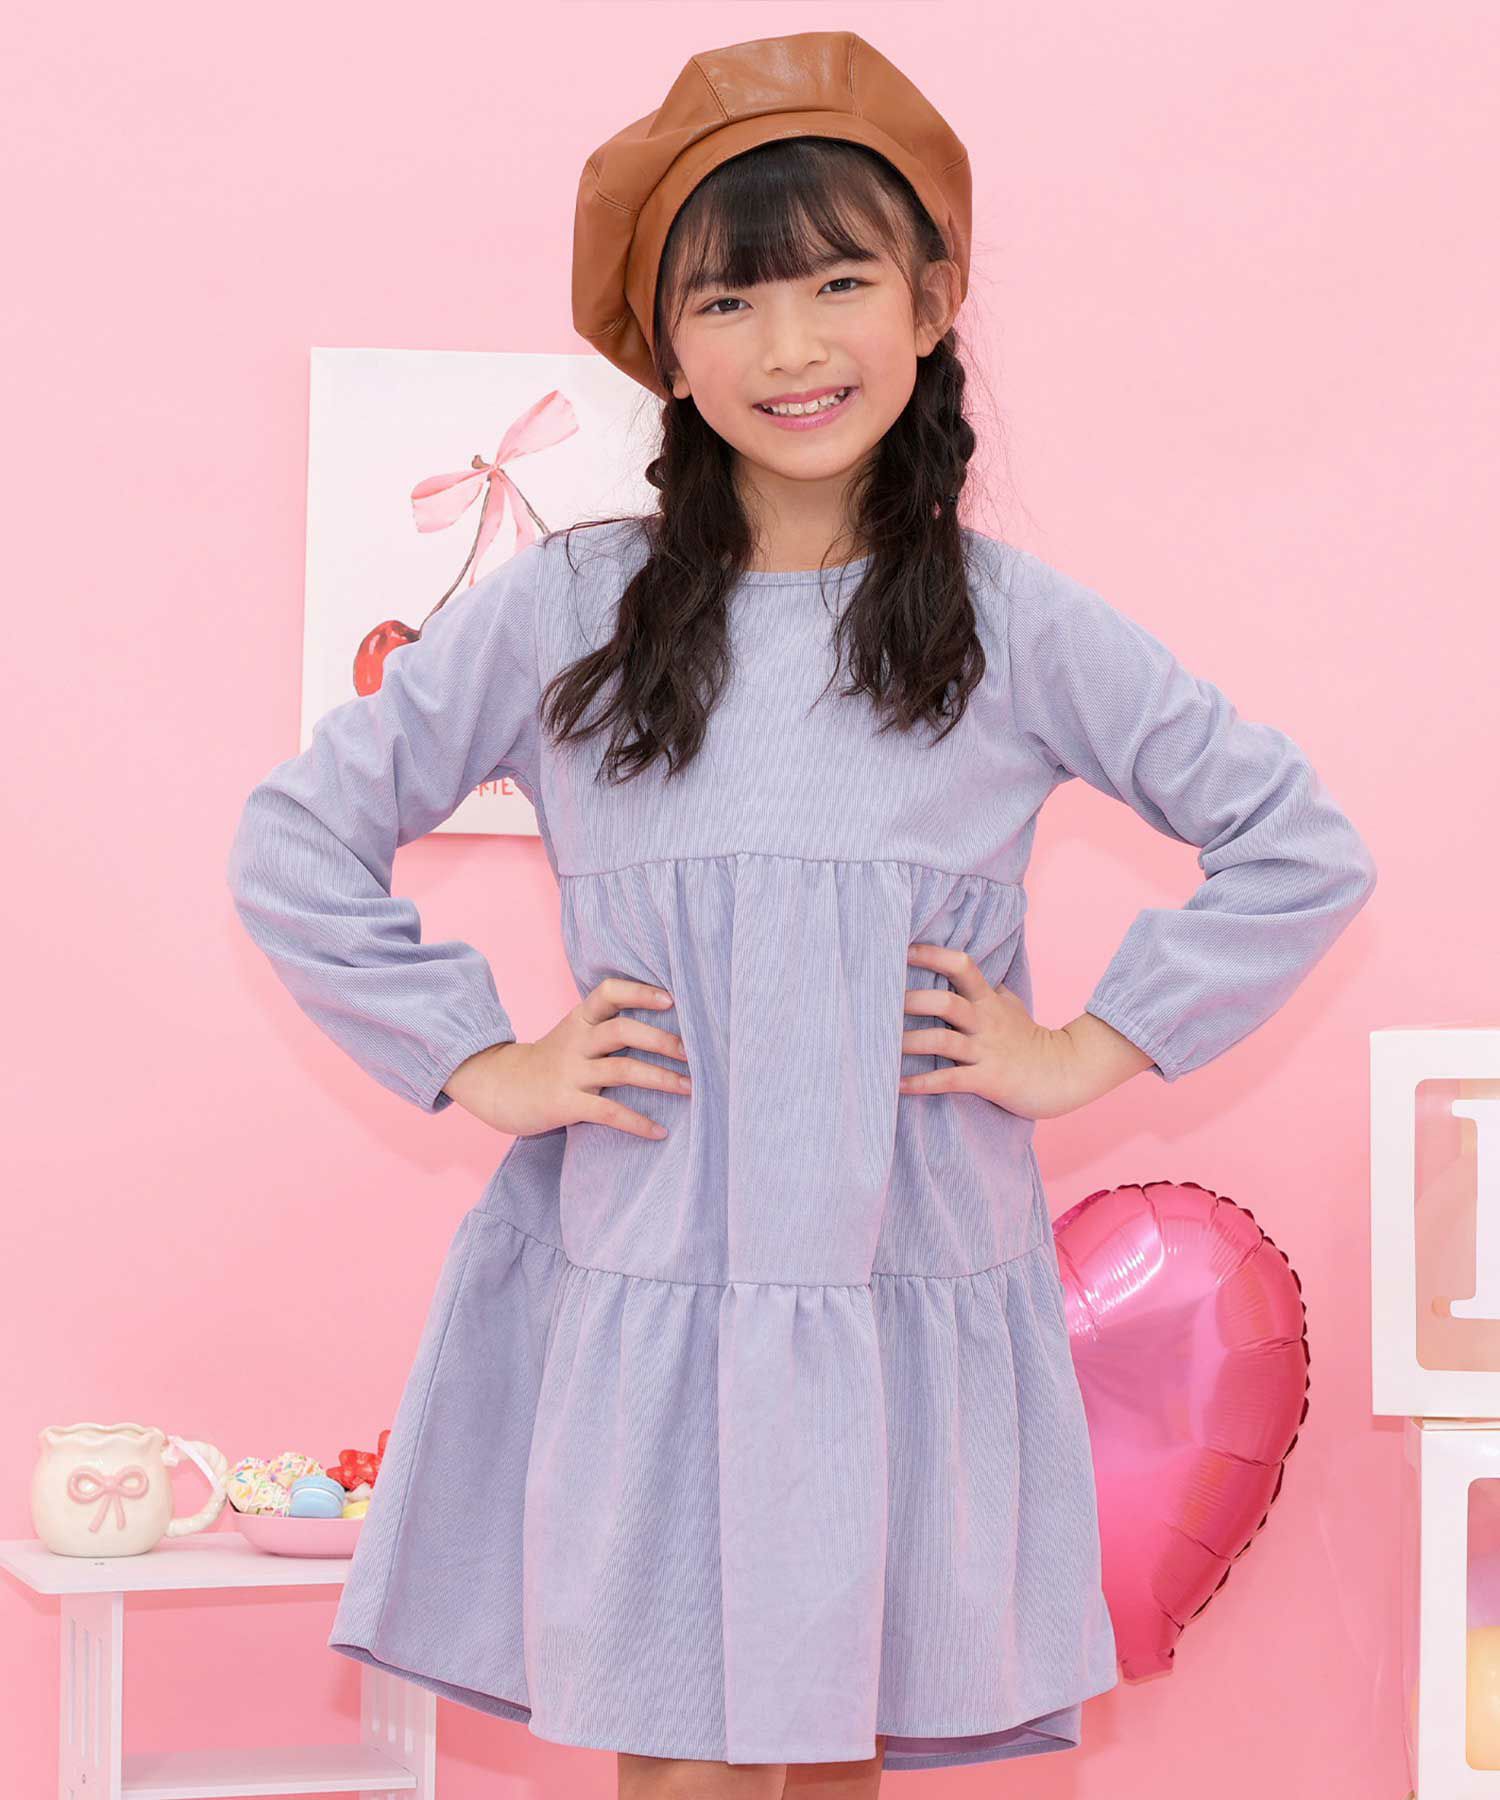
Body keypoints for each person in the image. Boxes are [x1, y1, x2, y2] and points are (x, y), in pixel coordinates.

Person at [225, 29, 1378, 1800]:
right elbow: (298, 839)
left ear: (931, 302)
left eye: (839, 282)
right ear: (665, 351)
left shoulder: (1010, 623)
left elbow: (1296, 842)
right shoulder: (571, 609)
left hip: (901, 1277)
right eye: (730, 300)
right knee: (683, 1761)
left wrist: (1085, 1049)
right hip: (655, 1275)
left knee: (846, 1751)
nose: (790, 347)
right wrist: (481, 1060)